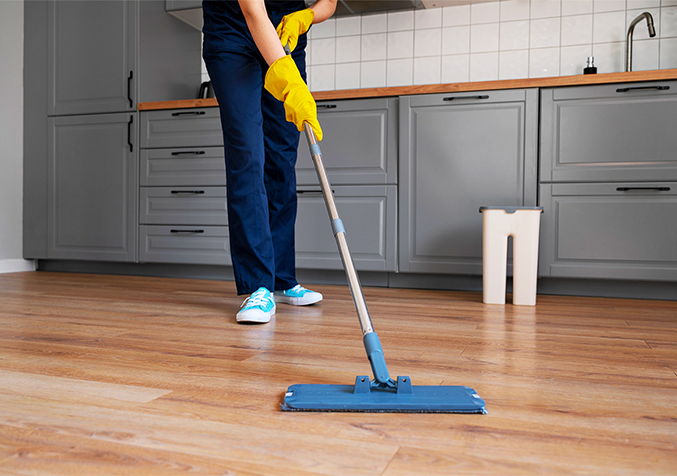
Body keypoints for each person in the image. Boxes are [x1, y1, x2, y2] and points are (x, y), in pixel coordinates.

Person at [202, 0, 337, 324]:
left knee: (281, 158)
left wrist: (306, 16)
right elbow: (252, 11)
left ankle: (280, 278)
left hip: (284, 32)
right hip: (233, 31)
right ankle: (258, 285)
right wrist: (290, 83)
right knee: (248, 155)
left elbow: (329, 3)